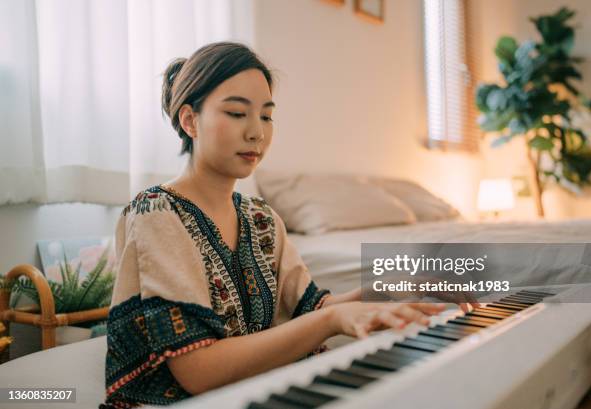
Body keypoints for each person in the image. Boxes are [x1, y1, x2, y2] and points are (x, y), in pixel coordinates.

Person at [101, 42, 450, 409]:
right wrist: (332, 319)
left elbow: (313, 309)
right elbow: (197, 370)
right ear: (190, 121)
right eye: (237, 113)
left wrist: (391, 288)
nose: (257, 133)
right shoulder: (156, 211)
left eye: (266, 116)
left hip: (261, 391)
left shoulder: (261, 218)